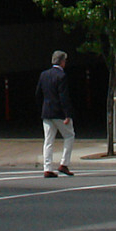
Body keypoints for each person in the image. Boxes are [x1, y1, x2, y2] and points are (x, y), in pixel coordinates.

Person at [37, 50, 74, 178]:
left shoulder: (44, 75)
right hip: (59, 112)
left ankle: (47, 168)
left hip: (46, 112)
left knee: (48, 140)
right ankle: (64, 163)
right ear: (62, 62)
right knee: (69, 136)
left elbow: (38, 94)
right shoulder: (62, 76)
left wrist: (43, 108)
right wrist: (67, 114)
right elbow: (64, 97)